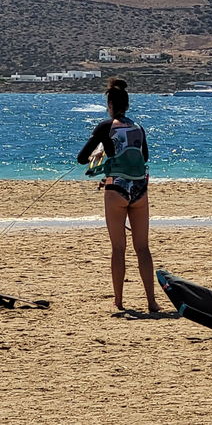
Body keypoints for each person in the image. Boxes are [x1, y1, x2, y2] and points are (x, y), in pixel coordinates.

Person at [77, 77, 161, 312]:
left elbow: (81, 158)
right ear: (127, 105)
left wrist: (101, 152)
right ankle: (152, 302)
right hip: (139, 191)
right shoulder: (138, 128)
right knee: (142, 248)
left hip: (116, 190)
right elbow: (144, 157)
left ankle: (119, 301)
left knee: (118, 248)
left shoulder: (106, 127)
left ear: (110, 105)